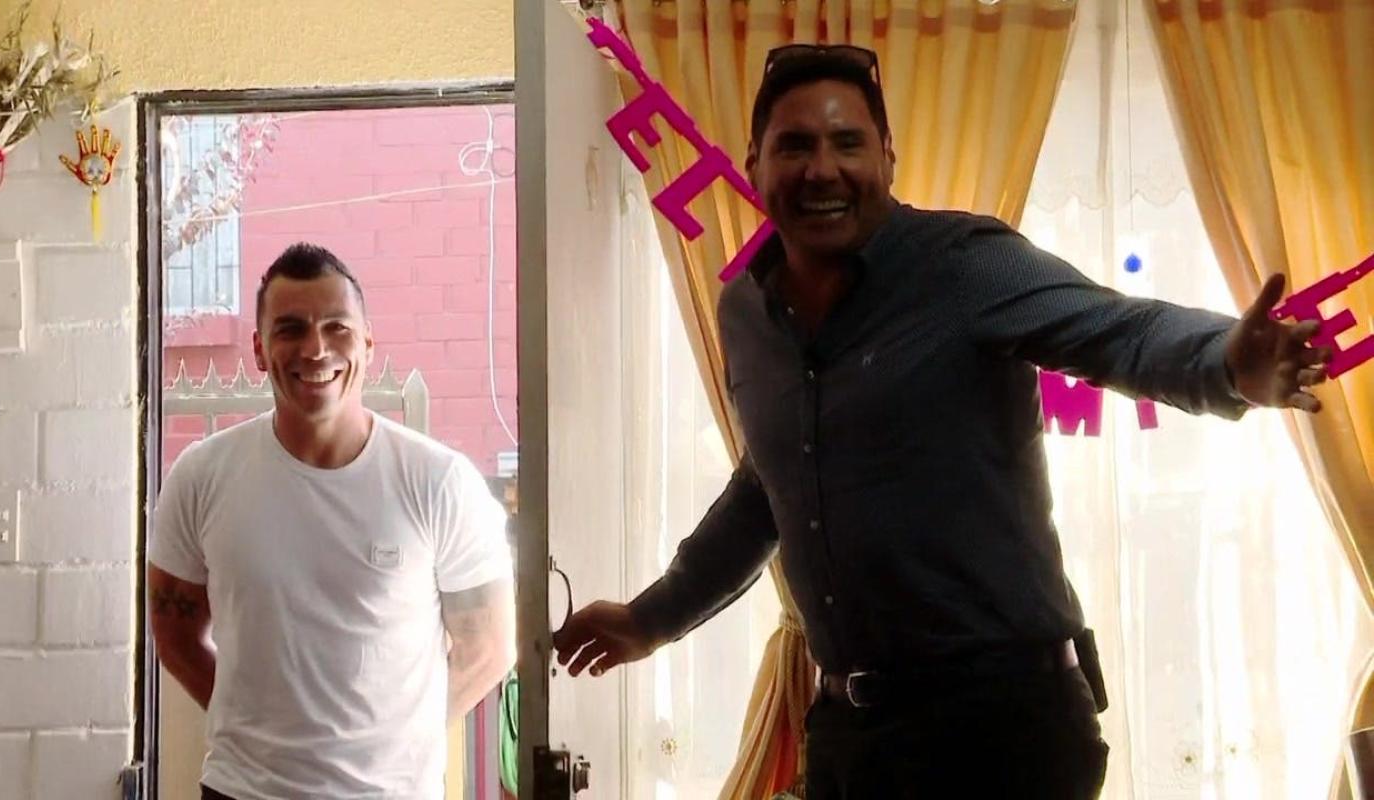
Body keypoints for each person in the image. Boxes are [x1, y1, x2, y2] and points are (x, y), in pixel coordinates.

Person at [553, 45, 1332, 799]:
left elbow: (1115, 330)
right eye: (795, 145)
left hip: (1002, 734)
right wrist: (651, 619)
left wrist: (1227, 364)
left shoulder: (965, 266)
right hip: (850, 735)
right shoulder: (745, 314)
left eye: (847, 143)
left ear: (887, 158)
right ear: (754, 164)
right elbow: (767, 488)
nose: (822, 169)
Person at [148, 243, 516, 800]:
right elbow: (173, 634)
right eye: (290, 329)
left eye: (336, 328)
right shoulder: (202, 475)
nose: (315, 349)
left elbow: (489, 648)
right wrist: (256, 732)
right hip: (242, 792)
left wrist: (391, 743)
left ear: (367, 342)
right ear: (259, 349)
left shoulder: (439, 481)